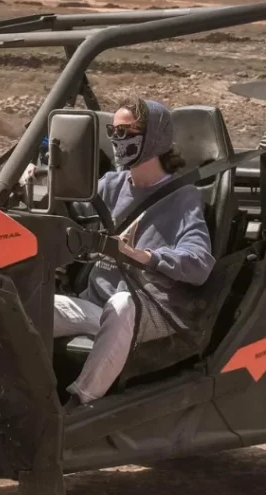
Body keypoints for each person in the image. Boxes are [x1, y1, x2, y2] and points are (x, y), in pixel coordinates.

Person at [53, 96, 215, 405]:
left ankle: (80, 405)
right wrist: (42, 184)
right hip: (97, 307)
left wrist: (144, 256)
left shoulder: (183, 197)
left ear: (153, 138)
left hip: (147, 312)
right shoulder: (110, 185)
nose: (116, 140)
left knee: (123, 302)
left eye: (125, 133)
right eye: (113, 132)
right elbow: (68, 214)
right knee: (38, 307)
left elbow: (200, 263)